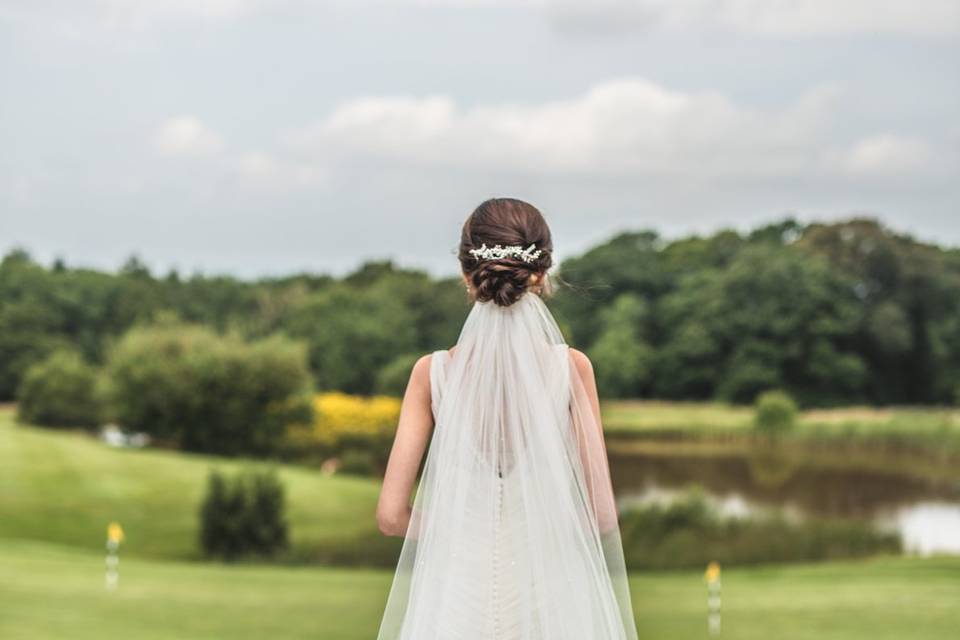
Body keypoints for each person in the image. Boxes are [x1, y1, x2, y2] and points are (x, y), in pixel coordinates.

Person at [375, 197, 638, 640]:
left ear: (466, 273)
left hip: (456, 595)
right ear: (541, 274)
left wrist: (461, 528)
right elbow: (604, 517)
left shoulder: (431, 374)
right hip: (548, 596)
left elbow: (390, 516)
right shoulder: (571, 370)